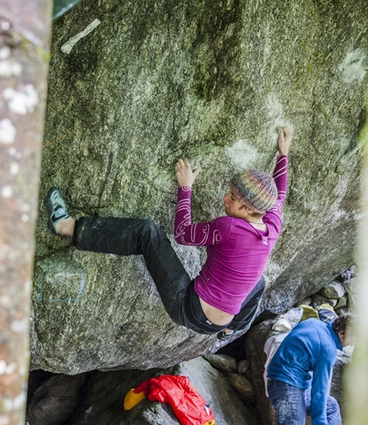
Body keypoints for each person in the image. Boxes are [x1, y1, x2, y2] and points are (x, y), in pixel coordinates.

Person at [46, 127, 292, 336]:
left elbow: (183, 234)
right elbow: (279, 194)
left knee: (146, 232)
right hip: (218, 324)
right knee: (258, 281)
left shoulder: (229, 227)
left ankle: (65, 226)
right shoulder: (272, 224)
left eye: (234, 197)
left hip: (187, 307)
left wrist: (185, 188)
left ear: (249, 208)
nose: (225, 198)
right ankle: (233, 329)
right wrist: (283, 154)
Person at [267, 315, 352, 425]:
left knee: (331, 405)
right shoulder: (328, 349)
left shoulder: (314, 323)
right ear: (343, 332)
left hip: (283, 383)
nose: (352, 344)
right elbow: (320, 390)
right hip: (287, 389)